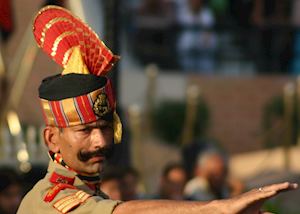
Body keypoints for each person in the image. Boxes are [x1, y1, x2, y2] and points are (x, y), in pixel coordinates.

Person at [17, 5, 298, 214]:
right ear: (52, 139)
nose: (101, 141)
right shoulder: (50, 199)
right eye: (86, 130)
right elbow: (123, 213)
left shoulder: (90, 191)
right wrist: (216, 208)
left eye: (104, 127)